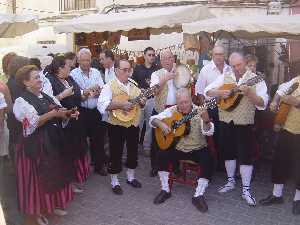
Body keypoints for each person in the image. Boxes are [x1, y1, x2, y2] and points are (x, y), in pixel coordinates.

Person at [13, 65, 77, 225]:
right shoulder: (21, 101)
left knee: (54, 174)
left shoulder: (46, 96)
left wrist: (68, 113)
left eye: (39, 77)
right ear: (26, 82)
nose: (40, 79)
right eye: (35, 77)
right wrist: (53, 114)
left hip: (52, 141)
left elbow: (59, 110)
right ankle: (37, 213)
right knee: (37, 180)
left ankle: (51, 206)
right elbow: (32, 123)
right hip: (34, 146)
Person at [205, 52, 269, 206]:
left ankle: (246, 189)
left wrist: (250, 93)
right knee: (228, 152)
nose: (236, 68)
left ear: (245, 63)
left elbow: (262, 104)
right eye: (233, 66)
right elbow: (207, 92)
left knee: (245, 154)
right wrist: (220, 92)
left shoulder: (255, 78)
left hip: (244, 122)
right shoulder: (226, 76)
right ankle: (230, 181)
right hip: (226, 120)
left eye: (239, 65)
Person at [150, 88, 215, 212]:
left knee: (208, 158)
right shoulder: (172, 110)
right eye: (181, 103)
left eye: (186, 102)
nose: (184, 105)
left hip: (196, 149)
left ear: (191, 100)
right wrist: (161, 124)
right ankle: (165, 190)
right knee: (161, 154)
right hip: (178, 149)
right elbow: (152, 119)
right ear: (177, 102)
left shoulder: (199, 111)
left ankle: (198, 195)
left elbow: (208, 131)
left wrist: (206, 120)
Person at [98, 59, 145, 195]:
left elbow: (141, 104)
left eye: (129, 69)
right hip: (116, 125)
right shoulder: (109, 86)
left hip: (133, 124)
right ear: (116, 70)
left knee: (133, 151)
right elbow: (102, 106)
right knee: (116, 152)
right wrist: (120, 105)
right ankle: (114, 181)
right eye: (124, 70)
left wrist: (142, 102)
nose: (128, 72)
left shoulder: (134, 85)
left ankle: (131, 177)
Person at [46, 55, 89, 193]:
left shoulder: (69, 78)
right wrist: (63, 95)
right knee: (66, 154)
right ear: (60, 68)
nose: (70, 69)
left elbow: (78, 94)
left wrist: (86, 94)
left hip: (75, 119)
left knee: (76, 150)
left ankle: (74, 180)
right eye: (68, 66)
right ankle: (68, 185)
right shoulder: (50, 81)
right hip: (62, 123)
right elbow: (49, 103)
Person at [259, 76, 300, 215]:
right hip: (287, 128)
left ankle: (298, 200)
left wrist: (297, 102)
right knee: (279, 162)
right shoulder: (296, 80)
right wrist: (275, 101)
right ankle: (277, 195)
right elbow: (281, 89)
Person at [70, 48, 107, 176]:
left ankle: (99, 165)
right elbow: (78, 93)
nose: (86, 63)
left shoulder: (96, 72)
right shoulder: (73, 74)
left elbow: (101, 88)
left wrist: (91, 91)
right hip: (81, 111)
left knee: (98, 139)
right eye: (83, 60)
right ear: (78, 60)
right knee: (80, 140)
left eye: (88, 60)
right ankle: (82, 168)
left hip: (95, 110)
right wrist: (89, 91)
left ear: (91, 60)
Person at [195, 45, 231, 169]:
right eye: (216, 54)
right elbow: (200, 92)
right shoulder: (206, 70)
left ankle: (223, 163)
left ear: (224, 55)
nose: (219, 57)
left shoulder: (229, 69)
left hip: (227, 107)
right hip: (211, 107)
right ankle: (213, 163)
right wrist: (204, 109)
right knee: (213, 136)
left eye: (221, 54)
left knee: (225, 135)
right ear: (212, 55)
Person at [149, 49, 178, 177]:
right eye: (164, 59)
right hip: (161, 110)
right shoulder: (156, 74)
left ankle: (175, 167)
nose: (167, 61)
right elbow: (154, 91)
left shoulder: (181, 71)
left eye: (170, 58)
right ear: (161, 61)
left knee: (176, 139)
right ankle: (155, 166)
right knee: (156, 141)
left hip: (176, 110)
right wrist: (166, 78)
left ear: (173, 59)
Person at [132, 47, 158, 154]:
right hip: (139, 100)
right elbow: (132, 83)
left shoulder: (157, 69)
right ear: (144, 55)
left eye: (153, 55)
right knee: (137, 124)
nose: (152, 57)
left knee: (150, 124)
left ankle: (147, 147)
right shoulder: (138, 68)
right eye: (149, 55)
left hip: (152, 100)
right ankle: (133, 146)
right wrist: (139, 90)